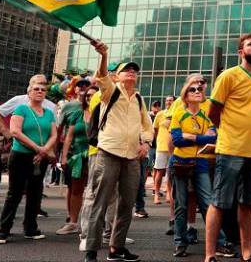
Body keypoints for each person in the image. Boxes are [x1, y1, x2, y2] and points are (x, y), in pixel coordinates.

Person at [83, 41, 153, 262]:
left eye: (134, 70)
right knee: (100, 202)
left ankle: (117, 248)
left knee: (126, 204)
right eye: (127, 70)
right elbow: (102, 76)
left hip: (132, 156)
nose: (132, 72)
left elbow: (148, 127)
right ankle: (91, 251)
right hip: (108, 153)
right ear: (117, 76)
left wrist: (146, 143)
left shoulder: (139, 99)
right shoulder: (110, 91)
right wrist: (103, 55)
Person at [204, 33, 251, 262]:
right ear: (241, 52)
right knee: (219, 202)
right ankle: (210, 254)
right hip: (230, 149)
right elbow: (213, 112)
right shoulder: (228, 76)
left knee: (248, 203)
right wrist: (228, 131)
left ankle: (247, 253)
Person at [0, 75, 58, 244]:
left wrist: (44, 151)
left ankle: (30, 228)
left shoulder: (49, 112)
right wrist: (38, 148)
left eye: (43, 89)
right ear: (29, 92)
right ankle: (3, 231)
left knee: (35, 194)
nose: (40, 91)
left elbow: (54, 135)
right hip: (21, 155)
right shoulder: (21, 108)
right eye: (36, 89)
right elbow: (15, 132)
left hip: (40, 158)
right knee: (14, 193)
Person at [169, 74, 220, 257]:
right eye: (193, 89)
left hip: (201, 162)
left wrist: (190, 136)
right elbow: (176, 141)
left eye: (200, 88)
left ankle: (219, 242)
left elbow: (213, 137)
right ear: (186, 94)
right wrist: (200, 138)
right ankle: (180, 243)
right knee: (181, 205)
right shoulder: (178, 113)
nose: (198, 91)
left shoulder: (207, 114)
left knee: (208, 202)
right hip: (180, 162)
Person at [56, 85, 97, 235]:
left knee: (97, 191)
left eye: (93, 95)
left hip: (97, 155)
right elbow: (68, 138)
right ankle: (73, 223)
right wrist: (64, 157)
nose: (90, 98)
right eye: (87, 96)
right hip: (78, 156)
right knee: (76, 189)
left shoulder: (103, 114)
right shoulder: (77, 114)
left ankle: (96, 225)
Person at [153, 95, 175, 205]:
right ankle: (156, 194)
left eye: (170, 100)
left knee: (170, 172)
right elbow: (155, 130)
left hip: (174, 147)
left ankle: (168, 192)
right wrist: (159, 140)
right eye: (167, 100)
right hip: (161, 146)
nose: (168, 102)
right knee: (159, 170)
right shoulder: (160, 114)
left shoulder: (177, 113)